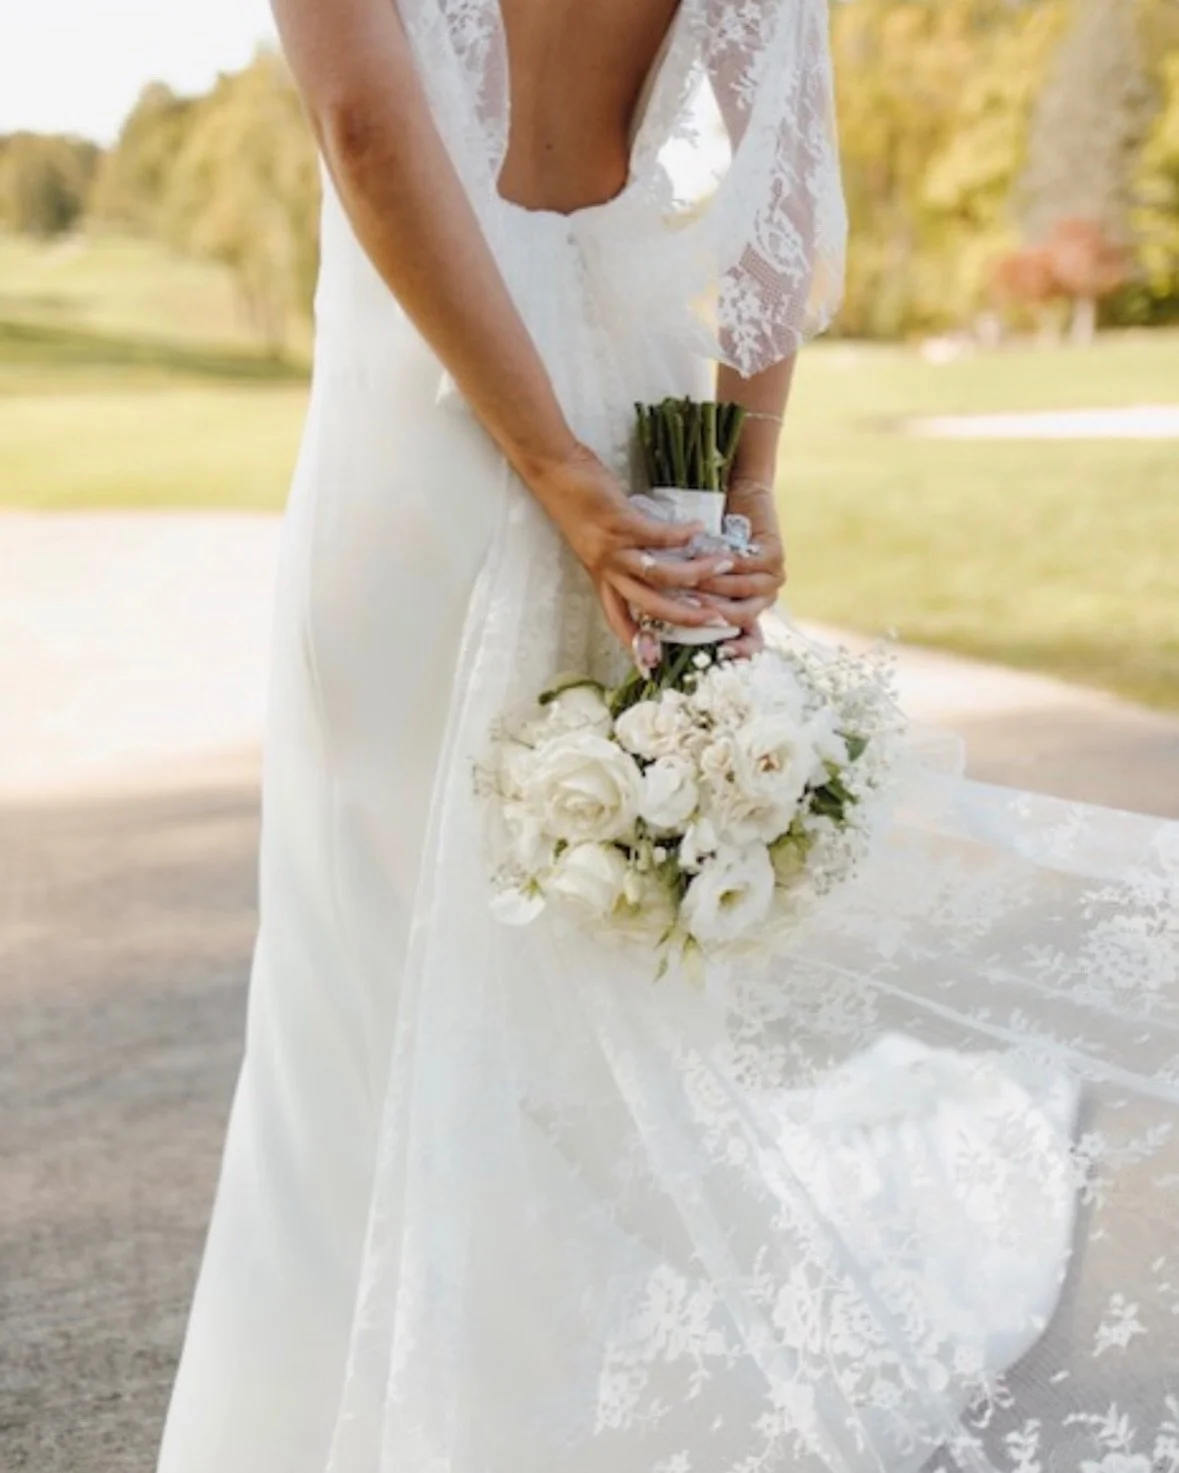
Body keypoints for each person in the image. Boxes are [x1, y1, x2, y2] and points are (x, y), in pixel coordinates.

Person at [157, 3, 1179, 1471]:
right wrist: (742, 480)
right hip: (650, 441)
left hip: (417, 448)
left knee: (357, 956)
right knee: (585, 955)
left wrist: (557, 480)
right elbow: (774, 182)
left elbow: (371, 134)